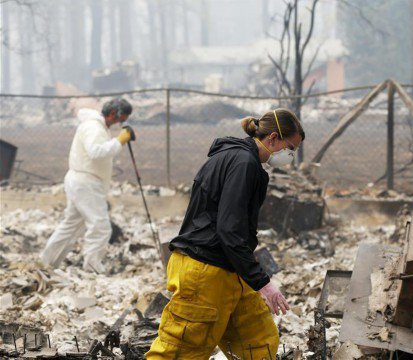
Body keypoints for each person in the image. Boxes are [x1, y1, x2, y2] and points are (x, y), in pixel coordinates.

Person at [146, 108, 305, 360]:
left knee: (257, 342)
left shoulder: (234, 157)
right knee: (179, 351)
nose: (291, 156)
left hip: (229, 268)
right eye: (291, 148)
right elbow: (229, 229)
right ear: (273, 138)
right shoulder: (243, 164)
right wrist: (263, 283)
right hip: (205, 271)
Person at [40, 98, 135, 274]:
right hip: (86, 183)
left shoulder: (97, 127)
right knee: (100, 226)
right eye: (121, 119)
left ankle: (46, 263)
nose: (120, 123)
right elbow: (96, 152)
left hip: (81, 181)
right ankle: (92, 268)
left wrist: (116, 140)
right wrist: (119, 141)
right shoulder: (94, 127)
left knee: (71, 226)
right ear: (113, 113)